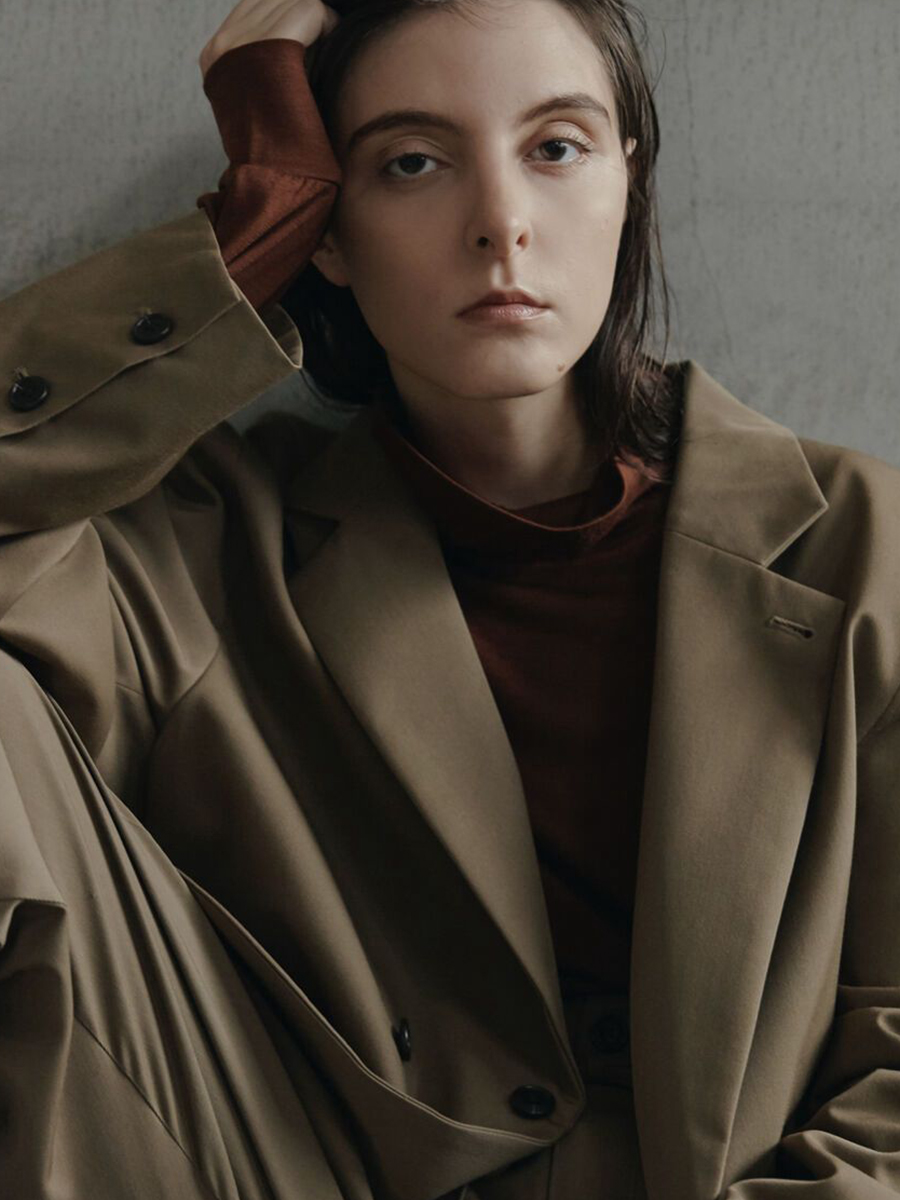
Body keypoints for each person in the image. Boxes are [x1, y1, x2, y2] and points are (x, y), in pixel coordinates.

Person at [1, 0, 899, 1197]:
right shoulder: (212, 544)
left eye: (557, 147)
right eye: (412, 164)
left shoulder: (859, 545)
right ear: (329, 231)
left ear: (629, 183)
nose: (500, 224)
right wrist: (240, 240)